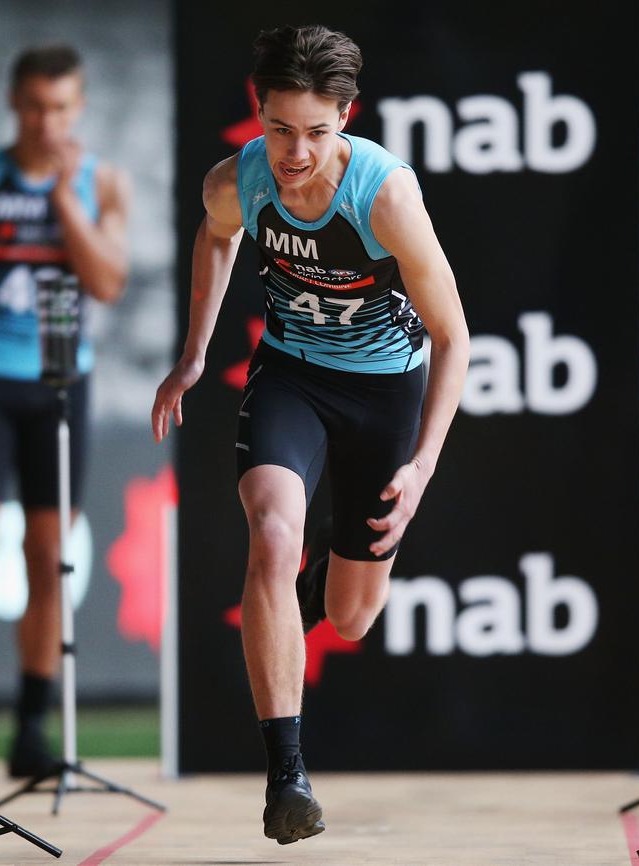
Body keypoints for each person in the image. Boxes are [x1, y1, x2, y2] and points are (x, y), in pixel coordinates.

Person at [152, 24, 469, 845]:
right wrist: (192, 358)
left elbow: (454, 335)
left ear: (347, 119)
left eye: (317, 132)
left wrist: (424, 466)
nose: (296, 154)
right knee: (268, 537)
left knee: (353, 616)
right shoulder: (239, 179)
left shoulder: (383, 196)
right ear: (260, 113)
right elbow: (216, 239)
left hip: (383, 393)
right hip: (290, 375)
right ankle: (287, 777)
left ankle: (334, 553)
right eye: (280, 128)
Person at [0, 45, 130, 777]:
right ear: (16, 105)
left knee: (48, 556)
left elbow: (108, 280)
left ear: (78, 111)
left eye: (61, 108)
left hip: (58, 383)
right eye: (35, 107)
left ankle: (33, 728)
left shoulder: (100, 180)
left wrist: (62, 201)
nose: (48, 122)